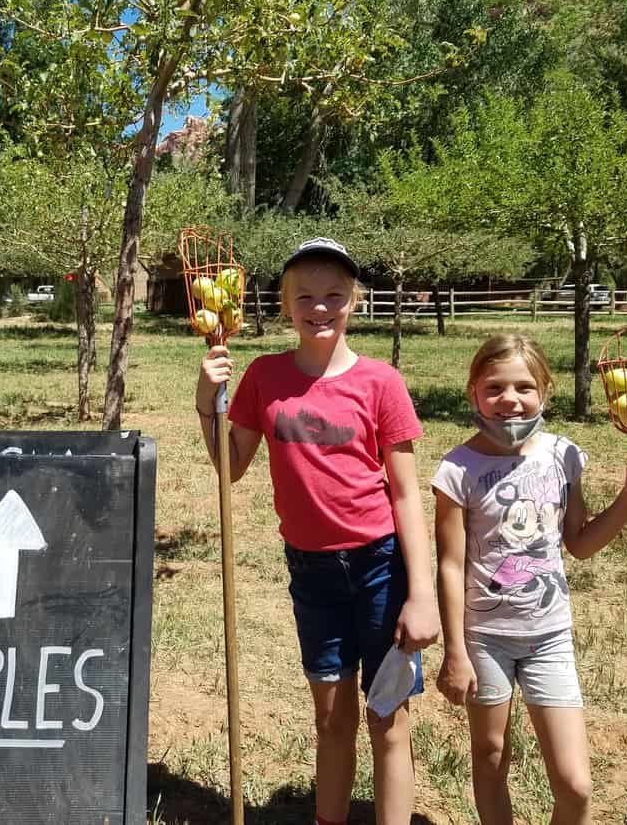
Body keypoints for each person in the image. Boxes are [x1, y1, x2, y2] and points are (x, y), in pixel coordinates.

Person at [195, 237, 440, 825]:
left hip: (381, 564)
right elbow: (231, 466)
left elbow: (406, 493)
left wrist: (423, 595)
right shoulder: (263, 375)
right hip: (311, 570)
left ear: (354, 300)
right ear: (284, 304)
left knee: (388, 718)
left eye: (334, 294)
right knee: (332, 719)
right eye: (305, 295)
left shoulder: (381, 382)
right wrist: (207, 401)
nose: (320, 306)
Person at [431, 333, 627, 825]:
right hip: (484, 639)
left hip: (548, 637)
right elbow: (450, 566)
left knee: (576, 786)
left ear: (545, 391)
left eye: (523, 387)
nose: (509, 399)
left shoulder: (564, 456)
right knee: (491, 756)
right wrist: (455, 652)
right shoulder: (458, 469)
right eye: (494, 387)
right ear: (473, 391)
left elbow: (577, 543)